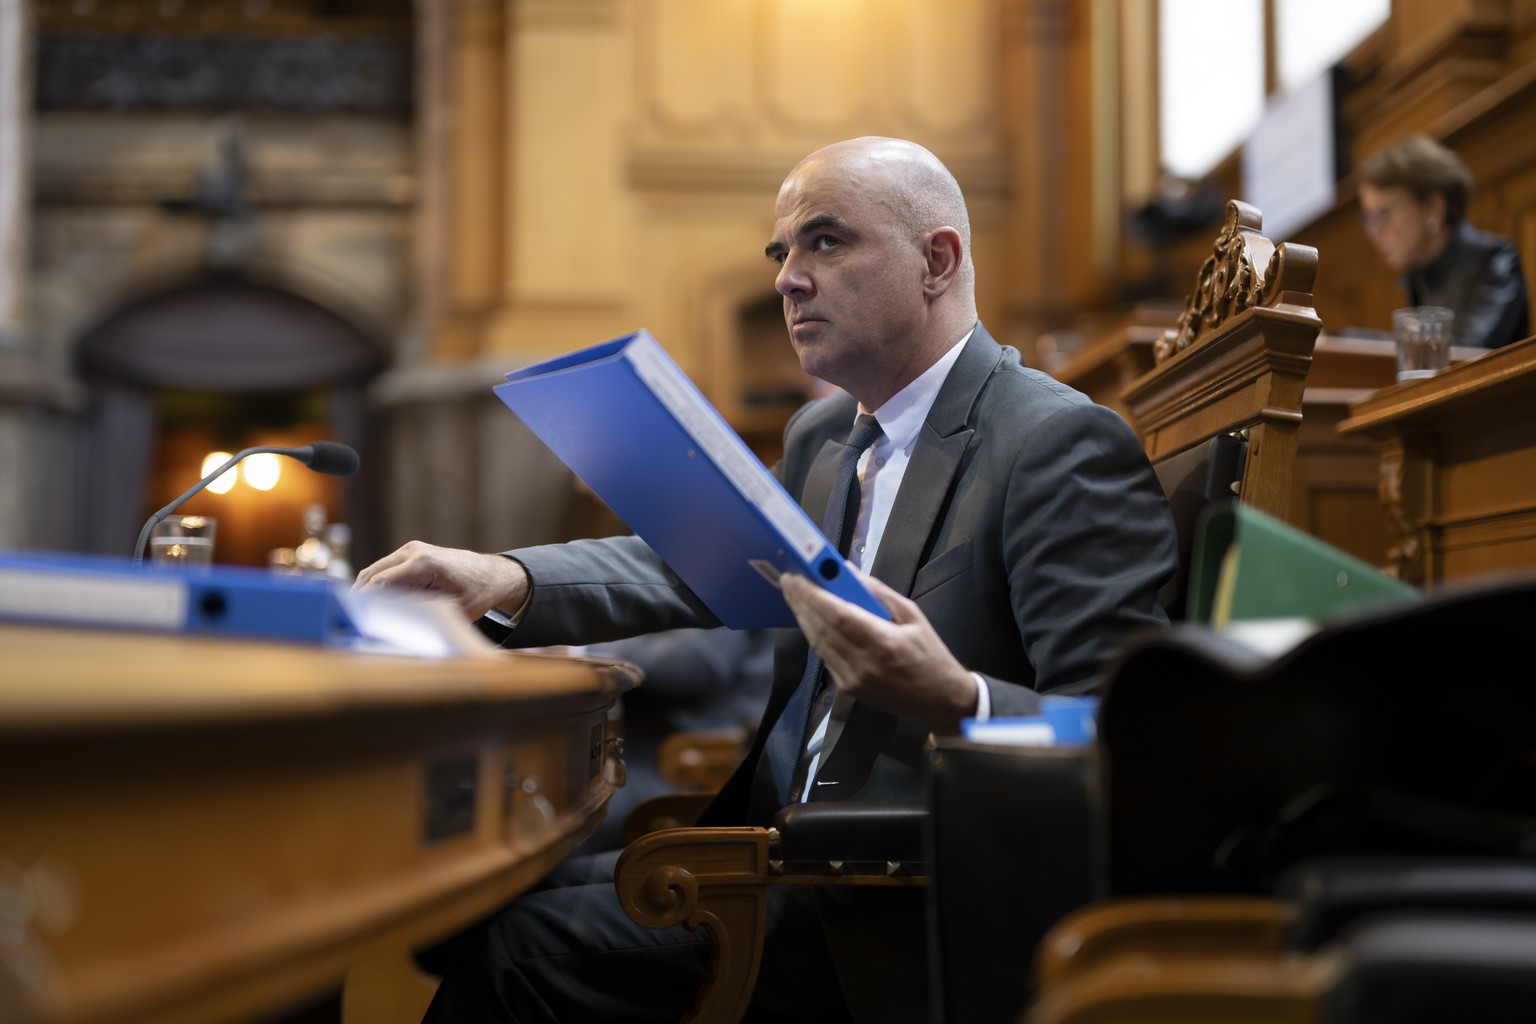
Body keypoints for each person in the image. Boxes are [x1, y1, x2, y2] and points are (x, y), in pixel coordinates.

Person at [356, 136, 1179, 1023]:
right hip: (768, 845)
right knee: (482, 905)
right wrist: (500, 575)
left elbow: (1120, 732)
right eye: (780, 251)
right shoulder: (824, 440)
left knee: (518, 950)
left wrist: (959, 698)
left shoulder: (1053, 443)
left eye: (826, 242)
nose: (788, 276)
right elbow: (687, 562)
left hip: (887, 896)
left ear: (937, 260)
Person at [576, 625, 773, 852]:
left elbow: (689, 665)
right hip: (651, 754)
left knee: (562, 816)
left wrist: (580, 649)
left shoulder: (745, 592)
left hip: (686, 771)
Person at [1358, 134, 1529, 349]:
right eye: (1369, 219)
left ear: (1434, 207)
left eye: (1384, 214)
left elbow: (1466, 357)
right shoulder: (1418, 277)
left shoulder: (1497, 262)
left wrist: (1350, 342)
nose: (1375, 232)